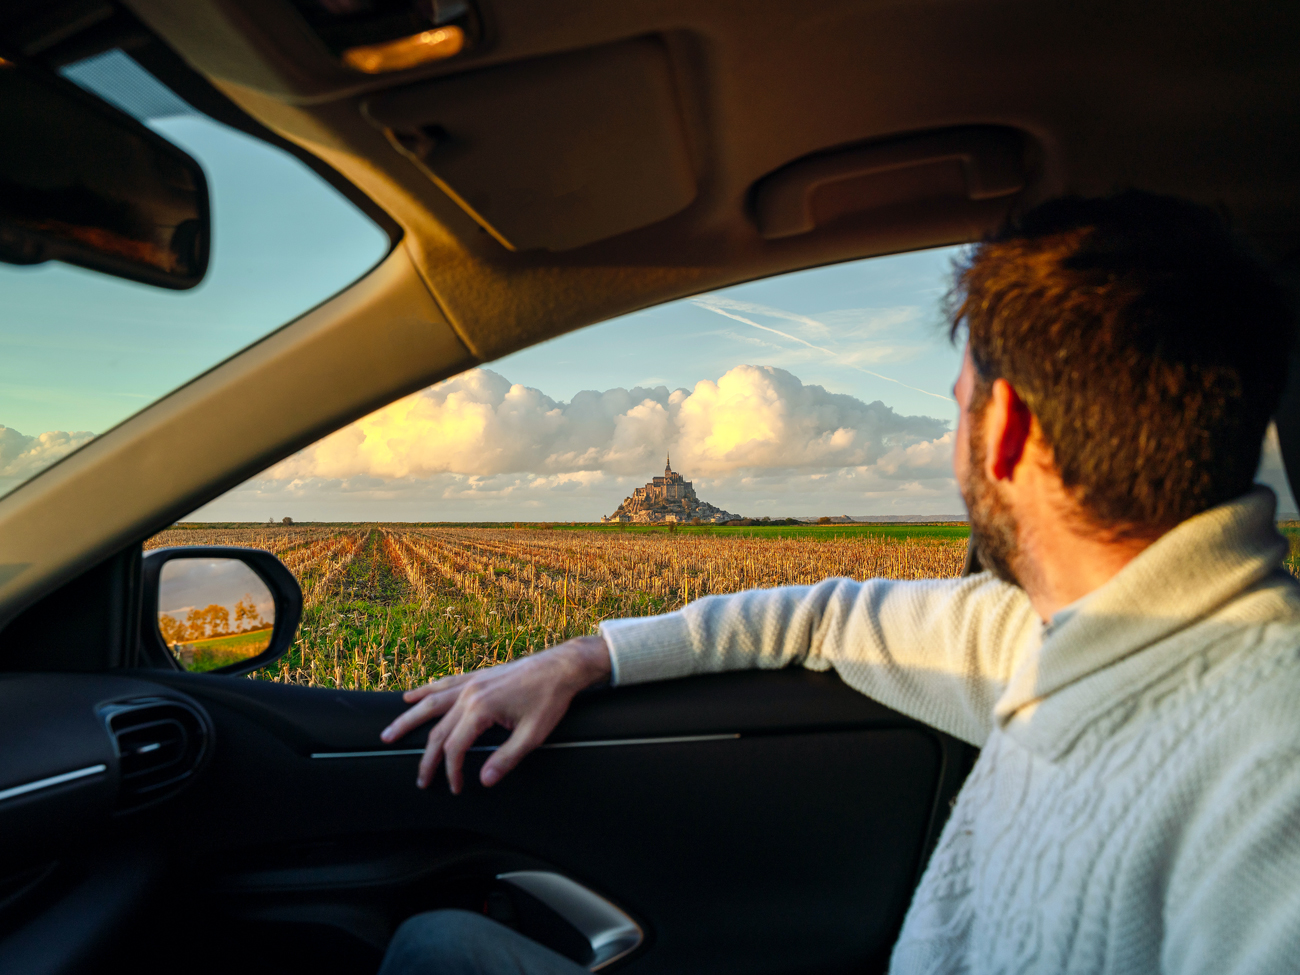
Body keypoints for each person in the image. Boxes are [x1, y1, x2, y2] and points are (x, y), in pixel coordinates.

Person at [376, 191, 1300, 974]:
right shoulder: (1036, 633)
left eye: (957, 409)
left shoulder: (1272, 756)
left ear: (1007, 428)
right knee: (444, 943)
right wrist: (586, 656)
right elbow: (826, 616)